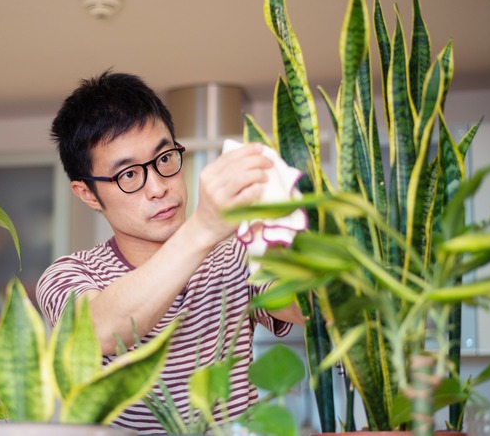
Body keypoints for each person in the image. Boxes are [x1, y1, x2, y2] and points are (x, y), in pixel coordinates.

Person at [36, 71, 304, 433]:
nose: (159, 187)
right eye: (128, 175)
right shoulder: (69, 275)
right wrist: (204, 228)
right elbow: (100, 330)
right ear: (87, 193)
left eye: (164, 158)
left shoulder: (236, 256)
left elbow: (312, 308)